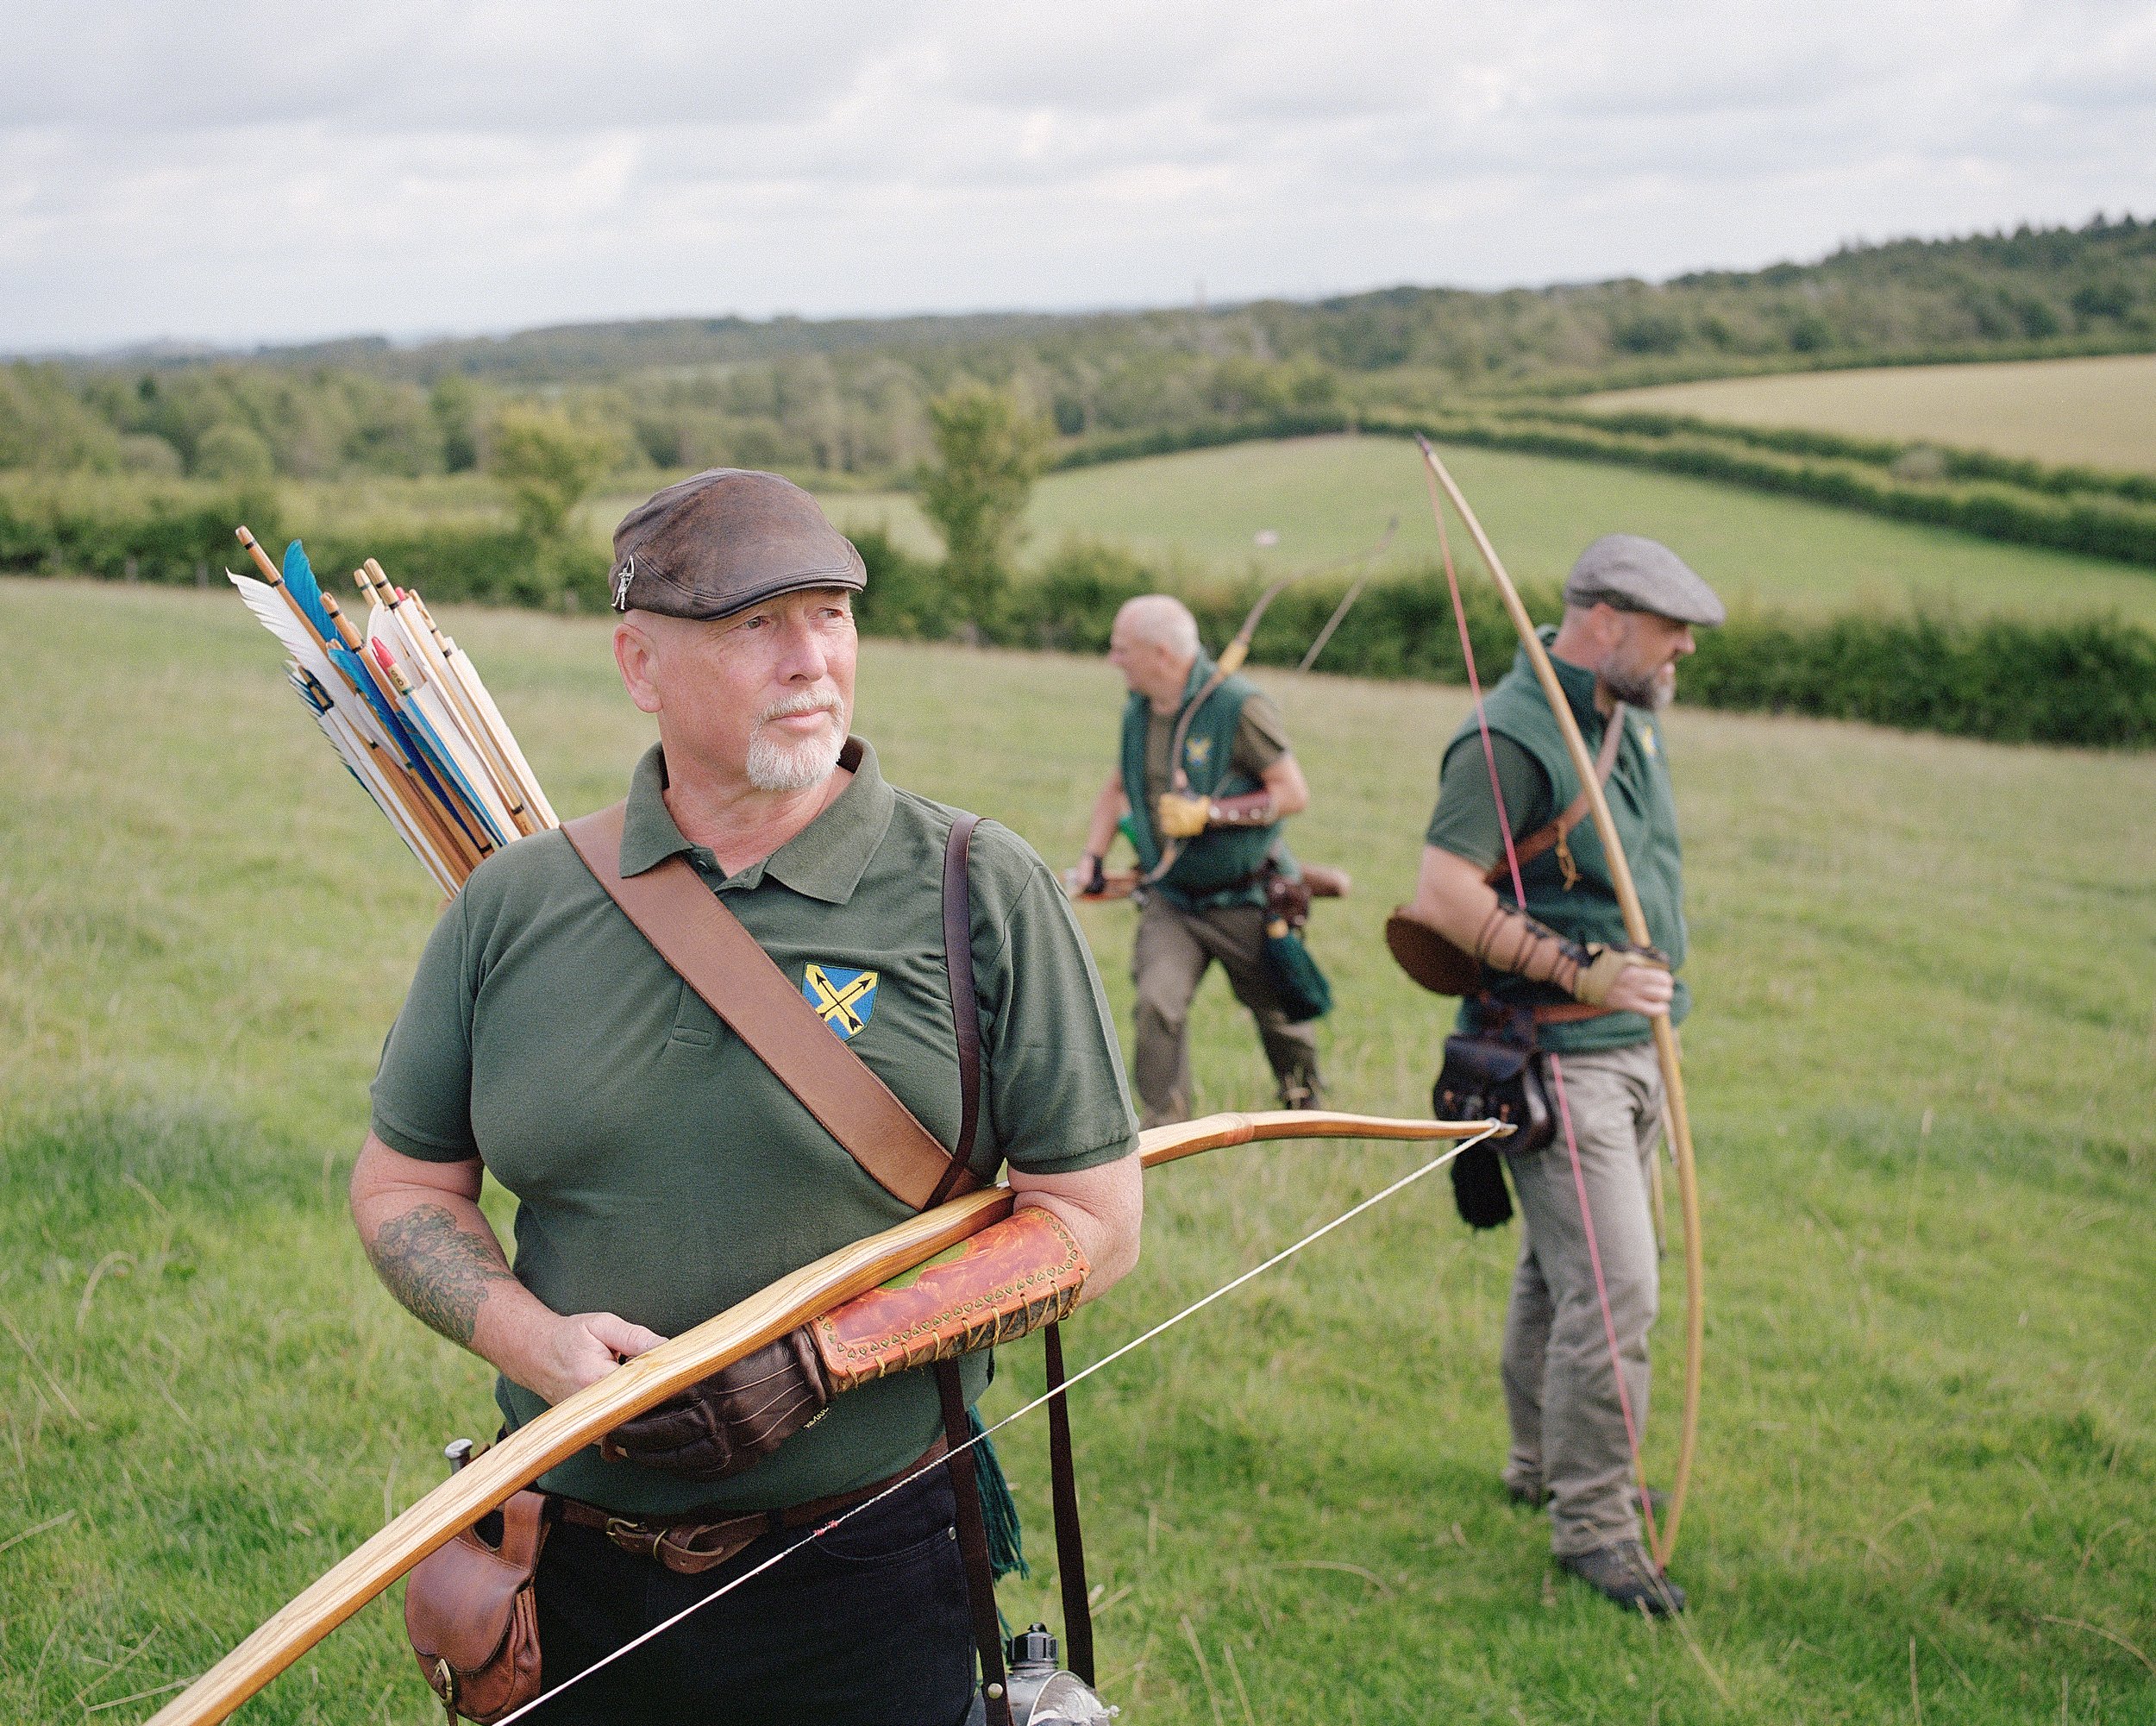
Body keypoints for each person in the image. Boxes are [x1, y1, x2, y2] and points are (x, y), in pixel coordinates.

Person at [350, 469, 1144, 1724]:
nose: (810, 659)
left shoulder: (980, 888)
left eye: (830, 613)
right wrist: (533, 1341)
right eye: (752, 624)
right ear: (639, 663)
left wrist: (819, 1361)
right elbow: (404, 1183)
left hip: (866, 1566)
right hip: (566, 1564)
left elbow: (1089, 1222)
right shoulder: (517, 904)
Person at [1402, 534, 1723, 1615]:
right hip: (1553, 1059)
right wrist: (1580, 971)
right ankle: (1596, 1528)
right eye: (1668, 628)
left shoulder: (1625, 712)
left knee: (1561, 1274)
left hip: (1631, 1051)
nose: (1682, 648)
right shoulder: (1509, 736)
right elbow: (1442, 895)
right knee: (1617, 1294)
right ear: (1603, 621)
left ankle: (1541, 1467)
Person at [1076, 594, 1320, 1127]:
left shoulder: (1240, 705)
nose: (1112, 660)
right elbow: (1118, 786)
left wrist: (1213, 812)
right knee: (1156, 1005)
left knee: (1277, 1012)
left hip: (1246, 896)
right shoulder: (1138, 708)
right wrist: (1094, 857)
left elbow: (1292, 793)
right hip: (1173, 899)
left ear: (1160, 654)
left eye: (1121, 651)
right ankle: (1165, 1127)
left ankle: (1304, 1104)